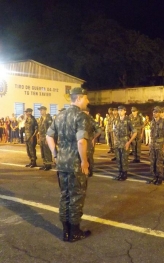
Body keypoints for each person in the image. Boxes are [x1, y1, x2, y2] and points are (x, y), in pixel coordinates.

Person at [46, 87, 91, 242]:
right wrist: (84, 161)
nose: (88, 101)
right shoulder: (80, 116)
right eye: (86, 98)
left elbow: (49, 136)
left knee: (64, 196)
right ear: (78, 98)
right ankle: (75, 232)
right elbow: (81, 141)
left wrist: (55, 154)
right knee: (76, 197)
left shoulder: (60, 115)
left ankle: (65, 232)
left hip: (62, 163)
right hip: (75, 164)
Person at [147, 106, 164, 185]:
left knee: (159, 162)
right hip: (153, 145)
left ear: (160, 113)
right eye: (154, 112)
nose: (155, 113)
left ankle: (159, 178)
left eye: (157, 112)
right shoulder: (152, 122)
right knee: (152, 162)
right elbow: (151, 134)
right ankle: (154, 177)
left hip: (160, 144)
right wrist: (150, 144)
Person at [112, 105, 138, 181]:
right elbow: (114, 131)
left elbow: (135, 132)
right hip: (117, 142)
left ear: (125, 111)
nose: (120, 112)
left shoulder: (128, 120)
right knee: (118, 159)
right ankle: (120, 173)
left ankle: (124, 174)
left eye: (121, 110)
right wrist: (114, 140)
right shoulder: (115, 120)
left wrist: (129, 142)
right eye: (119, 110)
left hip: (124, 141)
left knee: (124, 159)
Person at [83, 108, 102, 177]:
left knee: (89, 157)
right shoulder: (81, 120)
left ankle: (90, 171)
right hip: (82, 141)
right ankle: (84, 170)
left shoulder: (91, 120)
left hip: (89, 142)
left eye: (84, 112)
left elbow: (99, 131)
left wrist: (93, 138)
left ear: (87, 112)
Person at [37, 106, 53, 171]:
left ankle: (49, 164)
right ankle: (45, 164)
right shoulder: (41, 119)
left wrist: (48, 138)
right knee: (42, 151)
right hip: (41, 137)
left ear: (45, 110)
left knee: (47, 151)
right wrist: (39, 137)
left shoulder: (48, 118)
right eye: (40, 110)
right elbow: (39, 129)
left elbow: (50, 129)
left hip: (46, 137)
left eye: (41, 110)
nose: (40, 112)